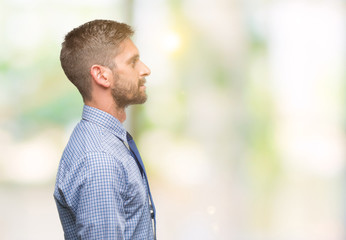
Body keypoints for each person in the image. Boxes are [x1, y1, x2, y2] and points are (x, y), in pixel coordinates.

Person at [53, 19, 156, 240]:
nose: (145, 70)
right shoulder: (100, 160)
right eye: (133, 62)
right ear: (101, 75)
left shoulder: (100, 141)